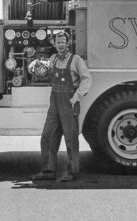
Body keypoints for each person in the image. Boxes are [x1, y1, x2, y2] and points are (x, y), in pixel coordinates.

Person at [31, 32, 92, 182]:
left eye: (63, 42)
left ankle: (72, 170)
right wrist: (36, 68)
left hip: (68, 101)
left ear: (68, 43)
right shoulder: (53, 59)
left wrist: (77, 97)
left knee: (70, 137)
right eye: (58, 42)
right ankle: (48, 170)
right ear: (54, 44)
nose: (61, 45)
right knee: (48, 136)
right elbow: (45, 73)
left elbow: (87, 79)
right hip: (55, 101)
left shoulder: (76, 60)